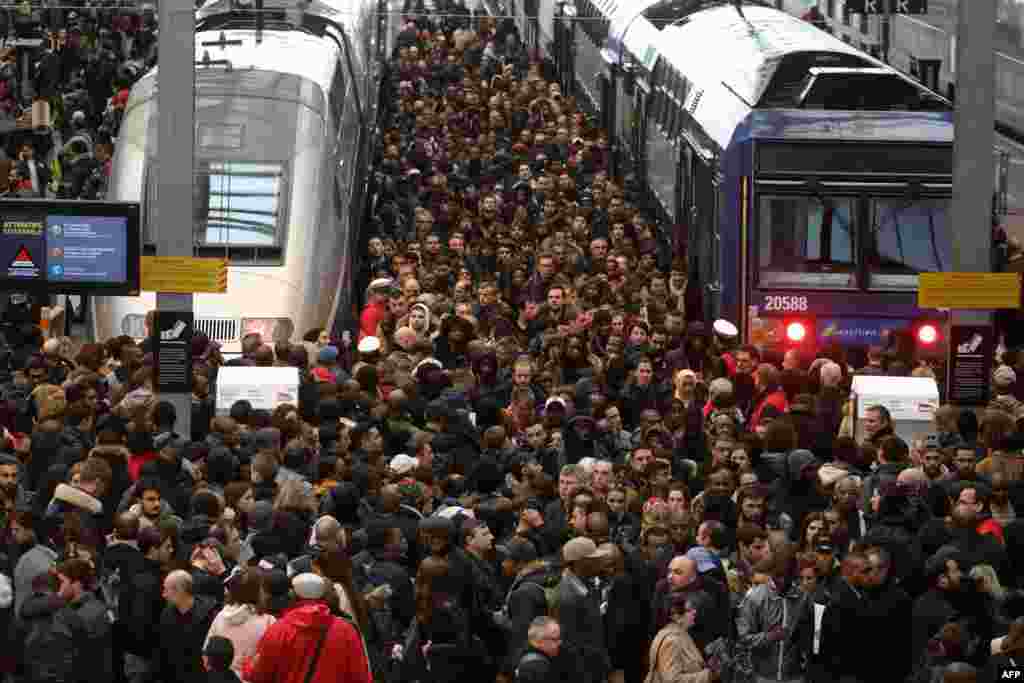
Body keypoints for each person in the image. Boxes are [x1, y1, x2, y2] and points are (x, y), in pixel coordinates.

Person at [245, 573, 372, 683]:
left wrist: (247, 664)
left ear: (292, 595)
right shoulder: (346, 630)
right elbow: (360, 676)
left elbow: (257, 675)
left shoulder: (278, 630)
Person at [153, 570, 219, 683]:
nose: (163, 595)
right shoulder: (166, 614)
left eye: (166, 590)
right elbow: (162, 650)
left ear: (180, 591)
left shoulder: (209, 616)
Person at [646, 591, 720, 683]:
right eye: (688, 610)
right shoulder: (672, 642)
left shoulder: (681, 633)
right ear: (676, 616)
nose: (694, 612)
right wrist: (708, 675)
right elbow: (672, 680)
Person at [515, 616, 566, 683]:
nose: (560, 643)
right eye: (555, 639)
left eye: (560, 638)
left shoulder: (517, 654)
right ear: (538, 640)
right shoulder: (536, 666)